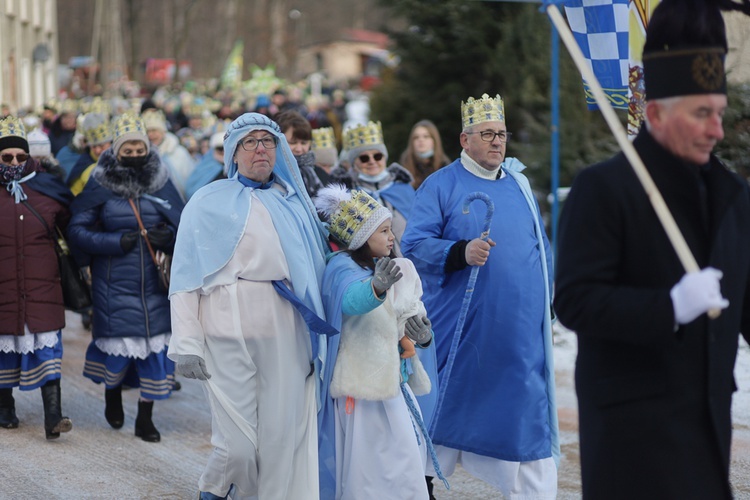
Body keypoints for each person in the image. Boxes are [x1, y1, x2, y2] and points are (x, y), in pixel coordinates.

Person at [553, 1, 750, 498]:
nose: (717, 129)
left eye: (719, 113)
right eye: (701, 113)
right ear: (657, 113)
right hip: (631, 443)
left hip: (707, 432)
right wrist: (669, 306)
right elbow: (575, 301)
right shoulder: (604, 189)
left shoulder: (733, 197)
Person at [400, 93, 558, 499]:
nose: (496, 142)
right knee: (440, 415)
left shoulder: (520, 186)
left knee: (524, 418)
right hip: (462, 332)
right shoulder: (442, 185)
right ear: (464, 139)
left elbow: (541, 248)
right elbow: (414, 245)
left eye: (501, 134)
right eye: (486, 133)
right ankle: (420, 486)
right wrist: (460, 251)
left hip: (518, 338)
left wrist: (551, 299)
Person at [168, 112, 331, 500]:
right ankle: (214, 491)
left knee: (281, 439)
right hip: (225, 332)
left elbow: (323, 269)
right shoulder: (206, 203)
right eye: (250, 142)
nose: (261, 148)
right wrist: (187, 343)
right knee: (237, 446)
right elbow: (185, 280)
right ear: (233, 153)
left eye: (268, 141)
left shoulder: (294, 205)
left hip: (286, 332)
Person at [67, 113, 184, 443]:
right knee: (118, 352)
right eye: (127, 149)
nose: (134, 155)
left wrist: (169, 236)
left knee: (153, 353)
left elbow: (185, 223)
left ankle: (145, 418)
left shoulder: (161, 179)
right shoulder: (99, 181)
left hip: (156, 283)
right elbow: (78, 230)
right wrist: (114, 242)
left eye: (139, 148)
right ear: (116, 150)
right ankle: (112, 394)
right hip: (113, 283)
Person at [315, 184, 437, 499]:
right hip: (362, 389)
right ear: (360, 238)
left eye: (389, 229)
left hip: (396, 383)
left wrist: (421, 335)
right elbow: (349, 302)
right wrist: (376, 289)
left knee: (406, 459)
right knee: (367, 468)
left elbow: (410, 317)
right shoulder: (341, 268)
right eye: (383, 231)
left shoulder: (396, 270)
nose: (391, 235)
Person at [0, 116, 74, 440]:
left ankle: (53, 416)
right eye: (6, 157)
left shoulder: (47, 189)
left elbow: (73, 225)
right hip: (3, 287)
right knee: (4, 348)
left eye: (20, 156)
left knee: (47, 348)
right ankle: (4, 407)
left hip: (42, 284)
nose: (15, 162)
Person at [331, 121, 415, 256]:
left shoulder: (404, 189)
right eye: (364, 158)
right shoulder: (349, 197)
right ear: (354, 163)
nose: (372, 161)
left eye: (377, 156)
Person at [142, 108, 195, 200]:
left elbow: (190, 180)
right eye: (147, 132)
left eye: (154, 130)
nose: (150, 135)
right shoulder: (143, 155)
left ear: (163, 131)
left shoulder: (179, 152)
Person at [275, 110, 326, 199]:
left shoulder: (314, 170)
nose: (299, 149)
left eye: (303, 143)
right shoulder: (274, 173)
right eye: (293, 142)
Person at [67, 112, 113, 195]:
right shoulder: (83, 165)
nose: (97, 150)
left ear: (110, 143)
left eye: (102, 146)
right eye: (93, 147)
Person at [399, 120, 451, 189]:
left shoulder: (445, 166)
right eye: (416, 137)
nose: (421, 140)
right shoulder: (404, 167)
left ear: (434, 140)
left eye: (426, 136)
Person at [184, 132, 226, 199]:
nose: (224, 151)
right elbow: (191, 190)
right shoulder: (205, 166)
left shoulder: (235, 168)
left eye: (227, 148)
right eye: (220, 148)